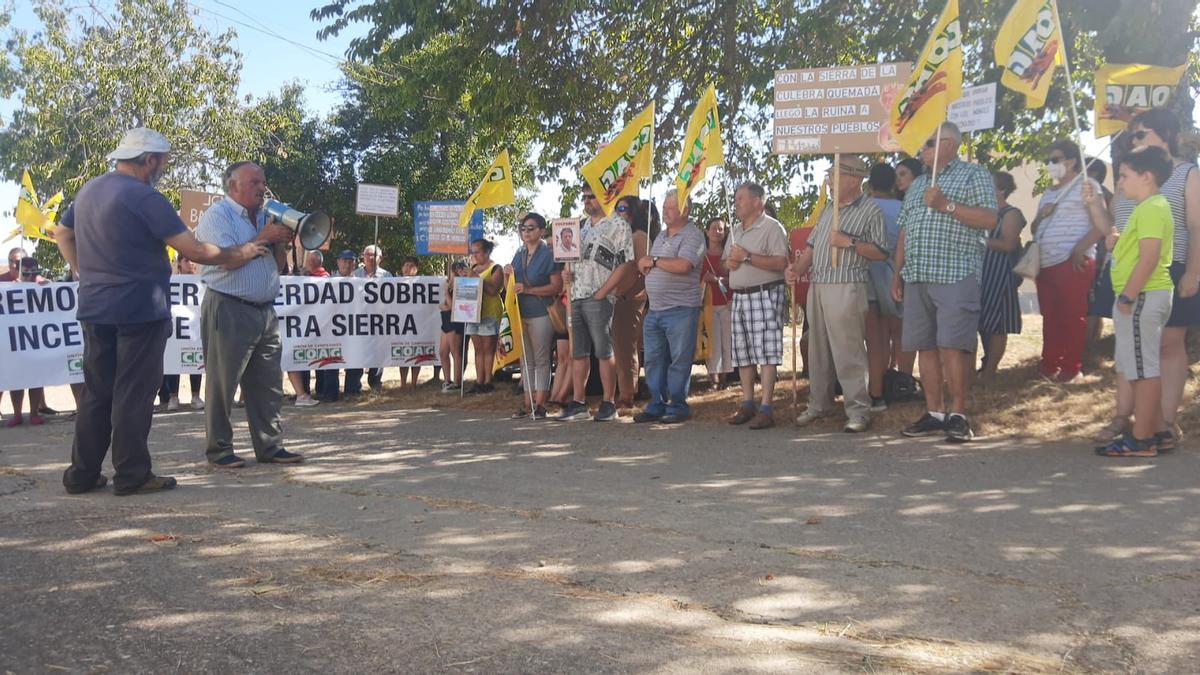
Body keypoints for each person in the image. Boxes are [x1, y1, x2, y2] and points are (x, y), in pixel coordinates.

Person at [56, 127, 267, 494]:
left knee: (97, 392)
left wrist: (84, 271)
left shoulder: (89, 189)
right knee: (134, 394)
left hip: (94, 305)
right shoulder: (145, 197)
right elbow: (199, 252)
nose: (163, 169)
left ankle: (82, 473)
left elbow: (62, 233)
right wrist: (246, 251)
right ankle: (132, 474)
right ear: (149, 160)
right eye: (164, 162)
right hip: (139, 307)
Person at [1095, 108, 1200, 450]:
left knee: (1166, 346)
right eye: (1131, 136)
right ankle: (1126, 417)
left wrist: (1193, 272)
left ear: (1166, 134)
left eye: (1141, 134)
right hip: (1126, 270)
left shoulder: (1186, 174)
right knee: (1132, 348)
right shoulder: (1130, 178)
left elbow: (1197, 226)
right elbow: (1112, 225)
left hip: (1167, 269)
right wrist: (1093, 205)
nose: (1134, 140)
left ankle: (1162, 424)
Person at [890, 122, 998, 442]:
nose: (922, 149)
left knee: (952, 345)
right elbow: (905, 233)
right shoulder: (917, 185)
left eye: (928, 143)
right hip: (918, 275)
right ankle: (935, 412)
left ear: (949, 145)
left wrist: (945, 205)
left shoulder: (973, 175)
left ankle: (959, 414)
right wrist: (898, 273)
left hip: (955, 273)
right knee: (925, 345)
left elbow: (990, 219)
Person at [195, 160, 304, 469]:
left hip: (264, 311)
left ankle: (270, 445)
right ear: (234, 187)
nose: (262, 188)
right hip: (229, 307)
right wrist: (265, 237)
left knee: (268, 383)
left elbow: (278, 266)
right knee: (223, 383)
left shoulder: (264, 218)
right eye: (254, 183)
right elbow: (226, 261)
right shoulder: (218, 216)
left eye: (263, 182)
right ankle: (219, 450)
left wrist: (281, 243)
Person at [788, 157, 888, 432]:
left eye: (834, 176)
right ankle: (819, 404)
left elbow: (881, 251)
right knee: (817, 347)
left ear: (855, 179)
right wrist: (796, 269)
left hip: (847, 284)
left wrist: (850, 242)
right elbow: (811, 246)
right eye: (829, 176)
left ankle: (858, 410)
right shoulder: (828, 208)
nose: (829, 182)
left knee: (848, 350)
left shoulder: (870, 210)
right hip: (819, 284)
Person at [1096, 146, 1176, 457]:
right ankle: (1158, 432)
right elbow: (1137, 252)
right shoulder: (1147, 207)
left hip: (1142, 296)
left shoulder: (1153, 207)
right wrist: (1116, 244)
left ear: (1147, 177)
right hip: (1139, 296)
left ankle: (1142, 439)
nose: (1120, 183)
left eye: (1125, 176)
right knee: (1138, 367)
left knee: (1143, 370)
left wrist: (1129, 294)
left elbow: (1150, 257)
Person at [1028, 140, 1108, 383]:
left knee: (1073, 316)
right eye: (1048, 161)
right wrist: (1043, 214)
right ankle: (1048, 366)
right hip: (1046, 263)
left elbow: (1101, 225)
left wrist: (1079, 250)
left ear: (1072, 161)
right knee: (1050, 316)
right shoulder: (1047, 194)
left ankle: (1071, 369)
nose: (1050, 165)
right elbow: (1033, 229)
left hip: (1074, 262)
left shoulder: (1088, 186)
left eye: (1055, 159)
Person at [558, 193, 635, 422]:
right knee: (578, 352)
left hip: (598, 296)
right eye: (583, 197)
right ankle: (579, 403)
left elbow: (626, 262)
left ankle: (609, 402)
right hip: (576, 295)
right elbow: (569, 257)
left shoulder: (618, 223)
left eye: (591, 196)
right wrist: (566, 274)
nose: (586, 201)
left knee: (603, 350)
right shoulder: (580, 227)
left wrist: (604, 291)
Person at [633, 190, 706, 424]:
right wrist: (647, 265)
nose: (665, 211)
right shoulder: (661, 237)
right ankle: (656, 404)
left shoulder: (693, 236)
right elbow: (652, 266)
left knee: (679, 360)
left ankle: (677, 405)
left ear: (685, 210)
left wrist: (653, 262)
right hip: (655, 310)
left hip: (681, 309)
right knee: (653, 359)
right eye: (664, 206)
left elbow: (684, 265)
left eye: (671, 207)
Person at [723, 181, 791, 430]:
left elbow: (781, 262)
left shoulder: (772, 228)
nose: (736, 202)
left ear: (757, 201)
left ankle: (766, 407)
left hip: (765, 294)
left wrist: (747, 257)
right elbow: (724, 263)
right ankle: (747, 403)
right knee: (744, 352)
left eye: (741, 198)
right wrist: (729, 264)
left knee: (766, 351)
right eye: (736, 198)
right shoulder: (735, 230)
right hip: (740, 296)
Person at [508, 213, 563, 419]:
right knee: (525, 360)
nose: (526, 232)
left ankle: (540, 404)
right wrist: (508, 273)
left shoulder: (548, 254)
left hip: (541, 311)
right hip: (521, 312)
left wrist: (529, 290)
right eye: (523, 228)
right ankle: (528, 402)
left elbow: (556, 286)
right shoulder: (519, 254)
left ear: (541, 230)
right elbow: (513, 278)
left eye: (531, 228)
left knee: (541, 359)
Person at [978, 172, 1026, 377]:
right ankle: (985, 361)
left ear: (1001, 189)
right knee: (982, 322)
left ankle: (990, 370)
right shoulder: (981, 213)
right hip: (982, 273)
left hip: (1001, 274)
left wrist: (980, 241)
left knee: (998, 324)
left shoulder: (1011, 213)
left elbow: (1008, 243)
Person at [865, 162, 905, 408]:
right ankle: (900, 380)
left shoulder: (863, 208)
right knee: (899, 332)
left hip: (868, 274)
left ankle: (876, 391)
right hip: (895, 273)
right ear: (893, 184)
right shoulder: (903, 208)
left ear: (869, 184)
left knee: (874, 338)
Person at [612, 195, 650, 412]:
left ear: (634, 213)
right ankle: (622, 392)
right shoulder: (621, 236)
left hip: (631, 299)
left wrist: (627, 294)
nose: (619, 212)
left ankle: (627, 396)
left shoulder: (638, 236)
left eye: (624, 208)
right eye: (617, 208)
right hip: (618, 297)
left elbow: (644, 273)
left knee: (626, 348)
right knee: (619, 348)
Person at [4, 257, 49, 427]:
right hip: (15, 339)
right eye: (26, 273)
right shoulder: (8, 287)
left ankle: (34, 412)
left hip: (36, 339)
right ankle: (17, 414)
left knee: (36, 378)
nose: (30, 276)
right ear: (17, 270)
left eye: (34, 272)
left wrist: (39, 281)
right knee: (17, 378)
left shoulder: (42, 285)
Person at [158, 255, 204, 412]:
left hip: (193, 329)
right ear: (179, 264)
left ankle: (196, 395)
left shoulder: (201, 282)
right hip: (176, 329)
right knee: (174, 360)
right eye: (186, 261)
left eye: (192, 260)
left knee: (196, 358)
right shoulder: (171, 282)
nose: (190, 263)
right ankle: (173, 396)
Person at [464, 238, 504, 394]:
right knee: (478, 349)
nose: (474, 255)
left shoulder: (496, 268)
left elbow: (494, 290)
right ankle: (478, 381)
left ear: (487, 252)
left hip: (489, 312)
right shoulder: (473, 268)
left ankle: (488, 381)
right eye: (472, 252)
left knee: (488, 348)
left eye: (477, 252)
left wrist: (477, 278)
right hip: (472, 313)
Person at [1085, 158, 1116, 347]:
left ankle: (1087, 344)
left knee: (1091, 303)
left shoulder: (1100, 194)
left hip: (1098, 254)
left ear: (1094, 174)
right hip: (1096, 253)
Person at [353, 244, 391, 391]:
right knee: (357, 350)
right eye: (367, 254)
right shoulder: (355, 275)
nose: (370, 257)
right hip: (359, 319)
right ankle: (355, 384)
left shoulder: (387, 276)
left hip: (378, 321)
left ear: (379, 258)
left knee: (377, 351)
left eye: (373, 255)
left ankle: (375, 382)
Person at [701, 217, 733, 391]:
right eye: (713, 228)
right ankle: (713, 379)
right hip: (709, 303)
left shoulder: (729, 255)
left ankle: (724, 378)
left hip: (727, 303)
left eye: (720, 229)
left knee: (727, 341)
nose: (717, 232)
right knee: (712, 342)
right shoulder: (702, 255)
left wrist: (723, 280)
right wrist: (712, 279)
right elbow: (698, 277)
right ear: (707, 232)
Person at [333, 250, 364, 397]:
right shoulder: (328, 282)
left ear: (355, 264)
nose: (347, 264)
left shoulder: (361, 283)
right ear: (338, 262)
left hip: (354, 327)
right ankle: (330, 392)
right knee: (332, 360)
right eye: (344, 261)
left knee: (355, 358)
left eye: (350, 261)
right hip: (333, 329)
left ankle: (352, 390)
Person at [438, 260, 467, 393]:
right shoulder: (450, 285)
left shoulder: (461, 286)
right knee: (443, 352)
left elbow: (453, 306)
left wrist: (446, 293)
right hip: (446, 319)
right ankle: (447, 379)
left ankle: (457, 382)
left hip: (455, 320)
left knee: (456, 351)